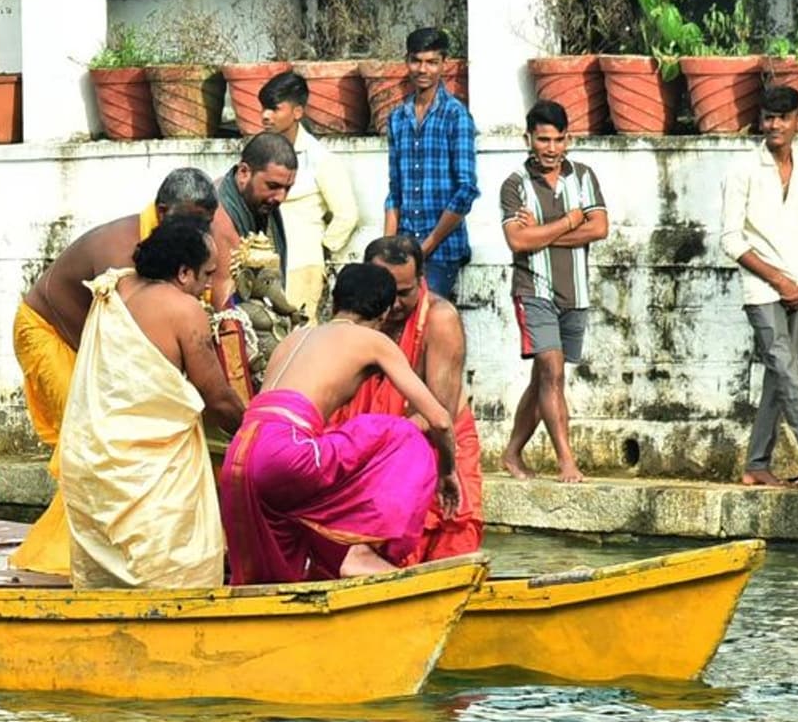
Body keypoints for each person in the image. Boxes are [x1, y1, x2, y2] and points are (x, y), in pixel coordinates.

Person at [10, 167, 219, 574]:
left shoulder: (178, 251)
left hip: (93, 344)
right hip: (50, 330)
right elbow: (129, 342)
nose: (199, 229)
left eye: (205, 222)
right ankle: (58, 560)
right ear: (162, 211)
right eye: (191, 220)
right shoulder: (126, 254)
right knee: (90, 444)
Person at [220, 263, 460, 585]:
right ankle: (360, 552)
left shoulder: (295, 338)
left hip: (240, 453)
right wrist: (446, 472)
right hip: (288, 449)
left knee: (273, 575)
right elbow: (441, 420)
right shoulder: (372, 340)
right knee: (405, 434)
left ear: (334, 302)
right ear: (386, 313)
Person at [59, 215, 246, 589]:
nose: (210, 287)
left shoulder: (114, 287)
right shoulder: (183, 310)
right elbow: (218, 398)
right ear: (182, 273)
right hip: (149, 468)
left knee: (107, 584)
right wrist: (258, 428)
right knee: (170, 571)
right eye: (207, 275)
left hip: (91, 458)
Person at [331, 235, 483, 564]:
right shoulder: (360, 314)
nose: (396, 305)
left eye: (405, 293)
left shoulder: (440, 320)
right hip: (374, 448)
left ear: (421, 280)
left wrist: (367, 447)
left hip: (435, 447)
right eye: (389, 293)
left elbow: (436, 414)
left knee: (446, 546)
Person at [721, 85, 798, 488]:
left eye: (783, 117)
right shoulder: (743, 170)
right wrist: (778, 279)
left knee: (779, 377)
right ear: (760, 120)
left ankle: (756, 464)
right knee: (785, 369)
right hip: (763, 291)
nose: (775, 125)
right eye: (768, 117)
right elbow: (731, 239)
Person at [499, 99, 608, 483]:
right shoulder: (514, 184)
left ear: (568, 139)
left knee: (545, 377)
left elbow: (599, 228)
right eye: (543, 140)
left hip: (575, 292)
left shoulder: (584, 175)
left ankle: (511, 453)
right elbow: (517, 241)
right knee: (552, 370)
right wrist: (570, 221)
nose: (551, 148)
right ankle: (566, 460)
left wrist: (543, 233)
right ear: (528, 139)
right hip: (533, 289)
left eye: (558, 140)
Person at [383, 26, 479, 302]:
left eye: (431, 62)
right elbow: (395, 191)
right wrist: (386, 250)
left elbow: (466, 190)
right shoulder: (397, 118)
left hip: (441, 251)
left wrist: (425, 247)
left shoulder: (456, 116)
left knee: (429, 323)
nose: (422, 69)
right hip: (403, 249)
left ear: (443, 65)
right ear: (407, 61)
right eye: (416, 60)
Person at [259, 71, 360, 321]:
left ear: (297, 112)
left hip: (302, 265)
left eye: (274, 109)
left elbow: (347, 215)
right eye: (263, 108)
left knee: (300, 334)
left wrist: (324, 249)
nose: (265, 115)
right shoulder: (259, 153)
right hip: (264, 264)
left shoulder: (320, 159)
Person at [215, 131, 299, 304]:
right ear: (244, 173)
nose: (280, 198)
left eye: (287, 188)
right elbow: (222, 298)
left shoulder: (258, 204)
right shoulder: (222, 215)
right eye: (273, 186)